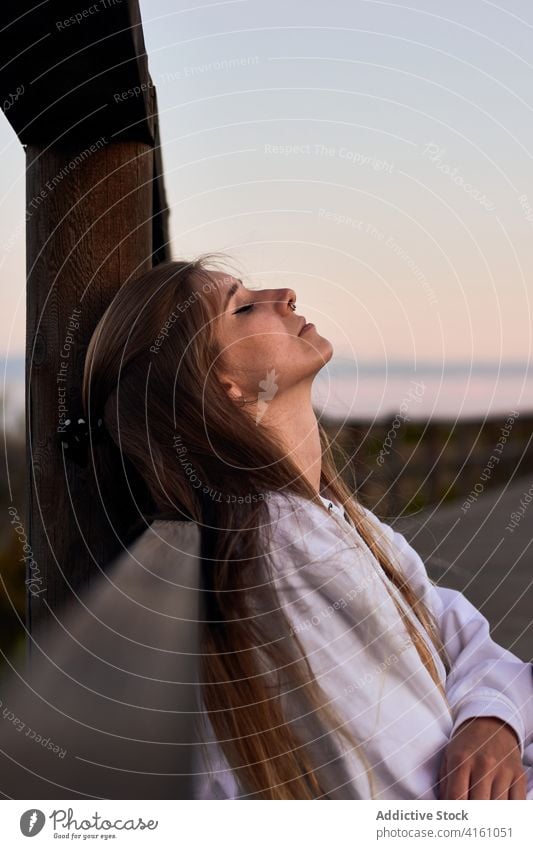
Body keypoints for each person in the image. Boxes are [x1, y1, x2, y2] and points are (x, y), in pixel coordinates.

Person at [81, 255, 533, 800]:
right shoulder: (283, 544)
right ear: (221, 385)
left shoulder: (330, 521)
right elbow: (421, 802)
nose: (286, 294)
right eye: (244, 308)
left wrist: (492, 721)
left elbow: (465, 642)